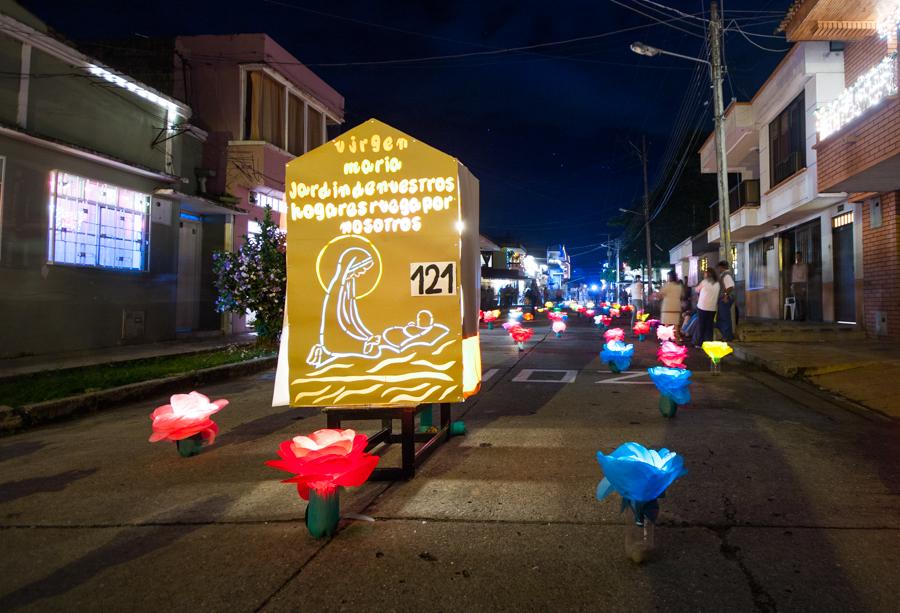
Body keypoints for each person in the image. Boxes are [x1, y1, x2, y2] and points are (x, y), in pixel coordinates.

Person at [695, 267, 720, 346]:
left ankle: (700, 343)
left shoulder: (704, 282)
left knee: (701, 325)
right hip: (712, 308)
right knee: (709, 326)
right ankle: (709, 343)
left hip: (702, 307)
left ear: (708, 274)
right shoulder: (717, 283)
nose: (704, 274)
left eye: (705, 272)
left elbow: (696, 290)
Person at [716, 260, 736, 341]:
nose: (718, 269)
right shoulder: (724, 275)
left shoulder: (726, 275)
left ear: (721, 267)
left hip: (725, 299)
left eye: (719, 267)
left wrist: (725, 296)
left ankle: (727, 336)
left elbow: (730, 286)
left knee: (725, 317)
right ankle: (725, 335)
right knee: (721, 317)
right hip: (724, 298)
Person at [790, 252, 808, 320]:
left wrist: (804, 287)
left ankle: (802, 316)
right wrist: (792, 285)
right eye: (796, 256)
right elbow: (793, 276)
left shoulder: (804, 266)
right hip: (795, 284)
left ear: (801, 257)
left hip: (801, 283)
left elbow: (805, 276)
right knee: (797, 301)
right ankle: (798, 315)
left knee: (802, 301)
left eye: (799, 256)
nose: (797, 258)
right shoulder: (794, 266)